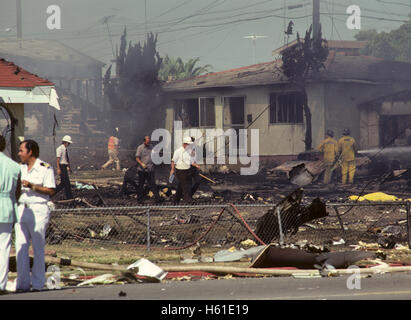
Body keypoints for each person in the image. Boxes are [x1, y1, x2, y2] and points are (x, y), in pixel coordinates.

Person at [15, 140, 56, 292]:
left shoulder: (45, 168)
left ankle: (38, 283)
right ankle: (22, 284)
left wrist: (32, 186)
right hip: (22, 209)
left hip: (38, 210)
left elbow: (51, 190)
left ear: (30, 152)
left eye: (21, 150)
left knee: (38, 247)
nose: (19, 153)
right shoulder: (19, 168)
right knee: (21, 246)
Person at [0, 135, 21, 294]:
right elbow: (18, 192)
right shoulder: (14, 166)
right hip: (7, 206)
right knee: (4, 247)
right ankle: (1, 283)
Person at [170, 136, 200, 204]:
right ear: (185, 144)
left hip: (187, 170)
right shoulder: (178, 151)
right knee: (186, 186)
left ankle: (175, 200)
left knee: (181, 186)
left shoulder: (189, 151)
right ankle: (188, 200)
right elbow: (173, 161)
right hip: (180, 171)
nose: (189, 146)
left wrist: (196, 165)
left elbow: (191, 161)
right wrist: (172, 170)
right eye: (189, 144)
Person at [135, 136, 162, 203]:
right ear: (144, 141)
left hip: (150, 169)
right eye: (147, 142)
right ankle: (139, 199)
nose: (148, 143)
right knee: (141, 185)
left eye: (149, 142)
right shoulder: (140, 148)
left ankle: (158, 199)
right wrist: (142, 164)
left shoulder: (151, 147)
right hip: (142, 170)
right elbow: (137, 158)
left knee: (153, 184)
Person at [55, 135, 73, 200]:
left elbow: (66, 160)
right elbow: (58, 159)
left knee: (63, 184)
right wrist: (58, 168)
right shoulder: (60, 149)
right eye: (69, 143)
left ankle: (51, 193)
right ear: (66, 142)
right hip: (62, 166)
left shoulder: (65, 149)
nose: (69, 144)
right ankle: (69, 197)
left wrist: (69, 168)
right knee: (67, 183)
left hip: (64, 166)